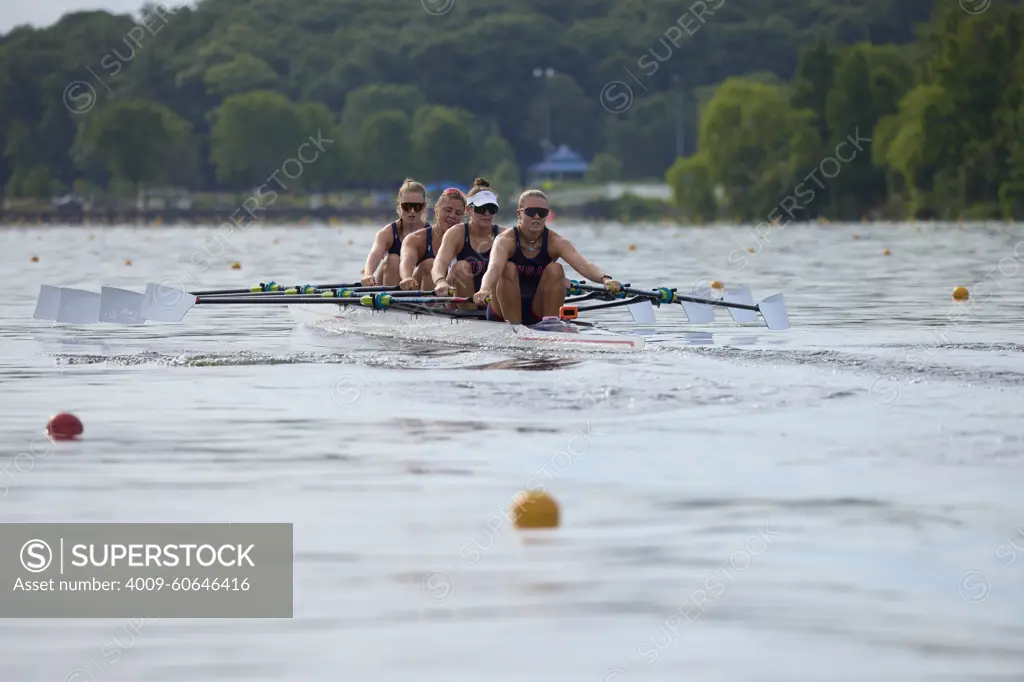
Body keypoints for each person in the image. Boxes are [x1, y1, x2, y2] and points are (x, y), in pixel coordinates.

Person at [472, 189, 622, 325]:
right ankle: (514, 327)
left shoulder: (556, 242)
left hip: (537, 309)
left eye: (542, 212)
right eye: (531, 212)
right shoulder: (505, 240)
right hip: (502, 310)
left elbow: (583, 264)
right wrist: (484, 289)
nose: (537, 216)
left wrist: (605, 279)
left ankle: (551, 324)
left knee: (556, 269)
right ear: (519, 214)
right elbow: (494, 268)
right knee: (507, 268)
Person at [431, 178, 505, 302]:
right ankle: (471, 317)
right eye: (481, 209)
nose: (487, 213)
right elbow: (440, 263)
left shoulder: (504, 235)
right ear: (469, 210)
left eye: (491, 209)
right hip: (462, 298)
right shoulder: (456, 233)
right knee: (461, 267)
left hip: (491, 299)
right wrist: (440, 281)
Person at [361, 179, 428, 286]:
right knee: (393, 259)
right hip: (389, 281)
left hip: (416, 285)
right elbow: (375, 253)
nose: (412, 211)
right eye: (406, 206)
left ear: (424, 207)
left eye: (417, 207)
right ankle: (389, 298)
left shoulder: (433, 233)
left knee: (428, 264)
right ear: (399, 205)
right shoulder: (387, 233)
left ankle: (428, 301)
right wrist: (368, 274)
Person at [398, 187, 466, 291]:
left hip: (452, 293)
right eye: (448, 210)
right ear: (436, 211)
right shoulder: (416, 239)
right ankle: (430, 305)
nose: (452, 216)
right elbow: (406, 261)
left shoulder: (468, 238)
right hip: (419, 294)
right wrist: (407, 277)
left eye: (458, 213)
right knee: (430, 264)